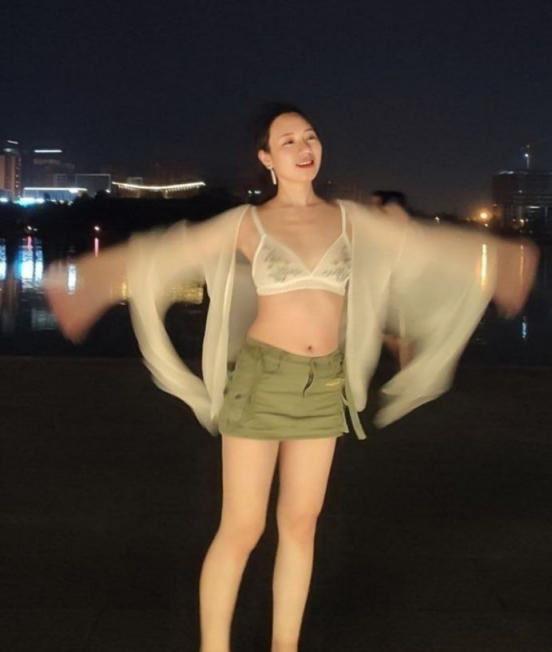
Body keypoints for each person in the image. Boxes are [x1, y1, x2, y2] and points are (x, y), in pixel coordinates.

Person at [43, 102, 539, 652]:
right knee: (242, 528)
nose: (304, 148)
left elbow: (420, 245)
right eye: (288, 142)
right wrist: (90, 280)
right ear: (267, 159)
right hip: (261, 382)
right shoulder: (248, 223)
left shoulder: (348, 218)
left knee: (301, 527)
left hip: (324, 386)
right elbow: (171, 251)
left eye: (310, 137)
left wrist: (497, 259)